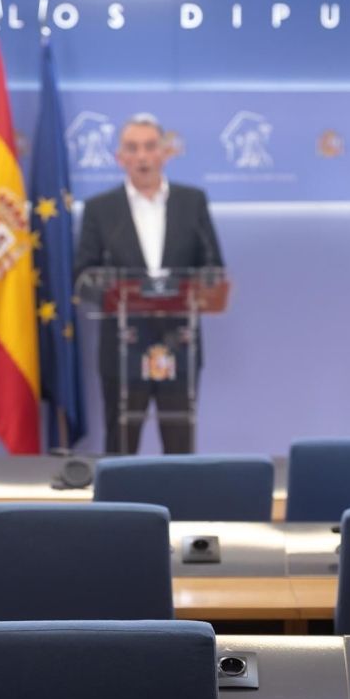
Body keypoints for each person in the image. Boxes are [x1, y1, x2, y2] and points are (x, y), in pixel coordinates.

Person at [74, 114, 225, 454]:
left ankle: (181, 493)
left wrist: (196, 288)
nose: (142, 156)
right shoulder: (101, 209)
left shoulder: (192, 202)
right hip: (123, 345)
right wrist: (123, 295)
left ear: (165, 153)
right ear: (119, 158)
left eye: (149, 146)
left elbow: (213, 268)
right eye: (132, 148)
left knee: (180, 450)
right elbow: (83, 275)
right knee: (121, 451)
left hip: (179, 344)